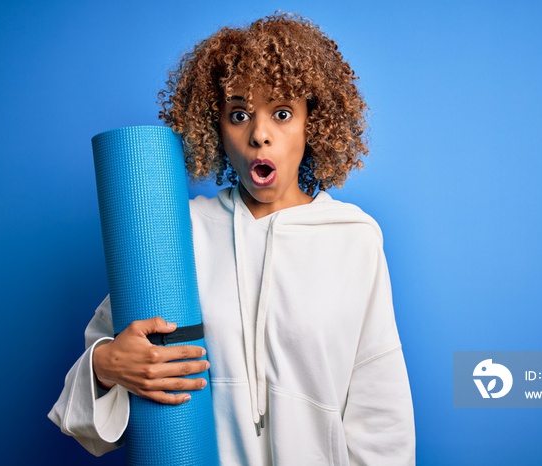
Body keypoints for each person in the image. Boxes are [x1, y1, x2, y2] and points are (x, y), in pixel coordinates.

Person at [49, 12, 415, 465]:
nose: (260, 135)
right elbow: (101, 369)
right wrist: (104, 366)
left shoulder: (354, 237)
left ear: (312, 123)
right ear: (216, 127)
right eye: (239, 115)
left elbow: (381, 407)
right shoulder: (175, 233)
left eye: (282, 114)